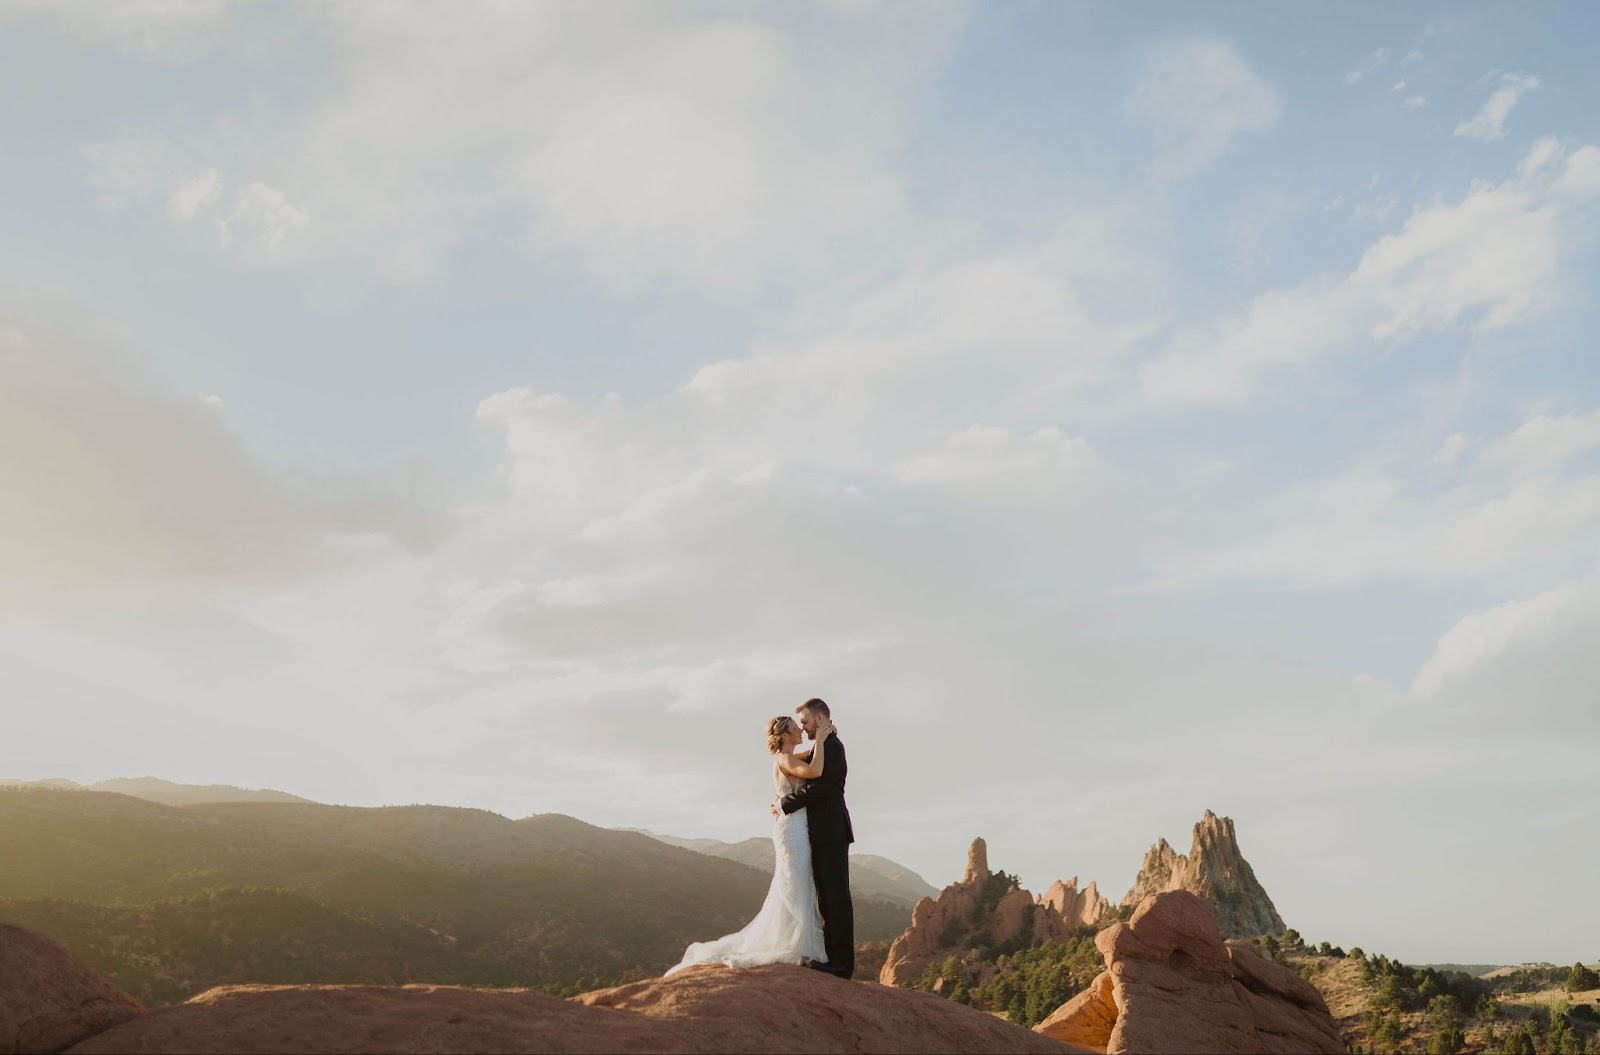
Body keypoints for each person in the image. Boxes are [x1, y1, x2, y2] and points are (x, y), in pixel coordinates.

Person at [664, 711, 835, 975]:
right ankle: (795, 945)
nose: (801, 730)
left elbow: (811, 758)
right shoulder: (785, 758)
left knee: (796, 883)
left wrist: (823, 738)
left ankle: (796, 942)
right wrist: (822, 739)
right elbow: (815, 770)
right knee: (794, 883)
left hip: (794, 827)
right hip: (792, 831)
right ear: (786, 735)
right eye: (795, 726)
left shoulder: (788, 757)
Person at [775, 697, 854, 979]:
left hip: (832, 831)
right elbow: (794, 763)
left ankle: (842, 965)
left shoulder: (834, 747)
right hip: (819, 834)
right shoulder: (824, 745)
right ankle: (832, 959)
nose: (804, 727)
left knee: (837, 898)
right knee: (826, 898)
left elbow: (818, 788)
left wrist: (784, 805)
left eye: (806, 722)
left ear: (820, 719)